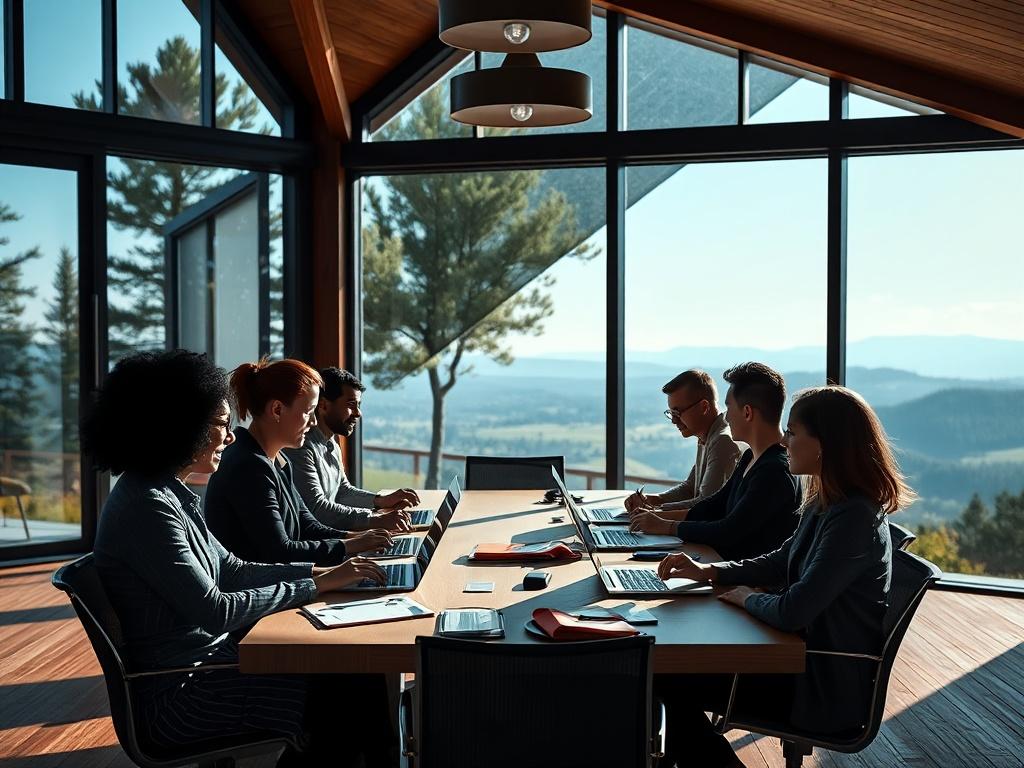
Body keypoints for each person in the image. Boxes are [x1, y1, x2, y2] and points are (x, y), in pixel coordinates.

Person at [88, 350, 392, 767]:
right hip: (181, 696)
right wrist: (315, 584)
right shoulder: (147, 506)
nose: (229, 436)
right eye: (219, 425)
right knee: (348, 693)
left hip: (207, 667)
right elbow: (215, 609)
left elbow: (231, 568)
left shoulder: (167, 491)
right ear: (178, 427)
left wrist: (323, 573)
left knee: (355, 684)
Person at [652, 385, 914, 768]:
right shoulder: (829, 502)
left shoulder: (853, 518)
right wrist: (710, 571)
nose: (785, 441)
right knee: (663, 680)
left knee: (661, 680)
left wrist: (744, 597)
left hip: (816, 684)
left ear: (824, 443)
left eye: (792, 433)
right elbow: (780, 561)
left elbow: (793, 610)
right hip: (798, 662)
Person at [205, 358, 393, 566]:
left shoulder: (278, 459)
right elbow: (280, 551)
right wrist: (349, 546)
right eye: (307, 411)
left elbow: (307, 525)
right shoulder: (248, 466)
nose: (313, 421)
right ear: (277, 410)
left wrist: (355, 539)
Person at [631, 362, 801, 561]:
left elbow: (729, 530)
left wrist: (665, 525)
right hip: (728, 568)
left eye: (728, 407)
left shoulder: (775, 472)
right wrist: (655, 516)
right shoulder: (750, 458)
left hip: (746, 583)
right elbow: (713, 506)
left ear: (747, 412)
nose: (726, 417)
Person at [284, 367, 416, 531]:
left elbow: (342, 491)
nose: (358, 413)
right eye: (351, 404)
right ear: (324, 405)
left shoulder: (332, 439)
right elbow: (317, 510)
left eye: (358, 405)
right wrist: (375, 519)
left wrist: (380, 501)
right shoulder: (301, 447)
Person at [624, 369, 742, 518]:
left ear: (704, 407)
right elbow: (690, 488)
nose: (674, 420)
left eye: (678, 412)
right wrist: (652, 500)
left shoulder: (722, 441)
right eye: (671, 413)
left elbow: (705, 504)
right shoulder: (708, 436)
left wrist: (655, 512)